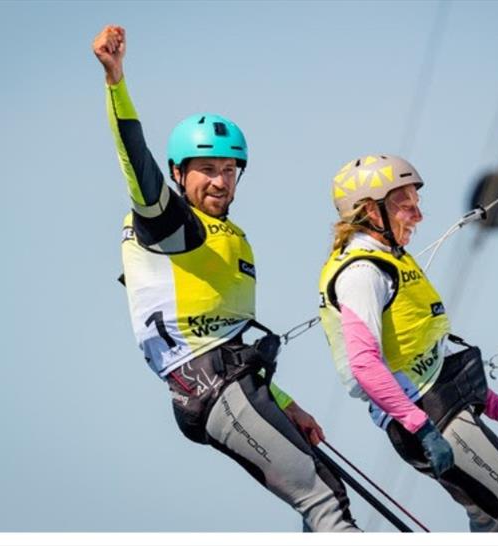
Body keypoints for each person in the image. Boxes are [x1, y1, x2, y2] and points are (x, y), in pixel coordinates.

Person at [93, 25, 359, 532]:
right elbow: (135, 162)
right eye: (206, 169)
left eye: (229, 170)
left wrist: (289, 405)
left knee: (329, 491)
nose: (219, 180)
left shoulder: (225, 234)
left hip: (235, 383)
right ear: (179, 173)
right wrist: (115, 81)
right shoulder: (170, 223)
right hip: (212, 388)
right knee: (324, 501)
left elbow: (230, 342)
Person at [318, 154, 498, 532]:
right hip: (429, 418)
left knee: (491, 522)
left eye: (417, 204)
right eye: (405, 205)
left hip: (437, 409)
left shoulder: (394, 260)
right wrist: (423, 429)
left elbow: (436, 360)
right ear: (371, 211)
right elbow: (364, 366)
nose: (418, 215)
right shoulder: (363, 272)